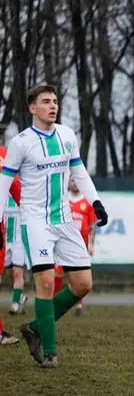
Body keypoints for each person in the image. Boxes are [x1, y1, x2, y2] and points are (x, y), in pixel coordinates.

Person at [0, 84, 110, 368]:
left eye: (55, 101)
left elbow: (79, 170)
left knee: (83, 285)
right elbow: (3, 183)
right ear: (32, 107)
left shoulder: (67, 135)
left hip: (63, 220)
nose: (53, 106)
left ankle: (35, 327)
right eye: (46, 101)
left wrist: (95, 201)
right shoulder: (20, 143)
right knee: (46, 282)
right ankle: (49, 352)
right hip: (35, 221)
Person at [1, 143, 26, 316]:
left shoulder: (21, 188)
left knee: (18, 272)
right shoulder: (3, 187)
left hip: (18, 239)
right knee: (10, 275)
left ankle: (15, 305)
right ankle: (21, 297)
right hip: (4, 238)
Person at [0, 146, 22, 345]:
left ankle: (16, 304)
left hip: (9, 235)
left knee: (17, 273)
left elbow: (18, 190)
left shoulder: (6, 155)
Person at [67, 178, 97, 316]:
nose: (74, 183)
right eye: (71, 180)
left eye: (76, 180)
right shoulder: (63, 199)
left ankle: (79, 305)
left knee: (80, 276)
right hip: (64, 244)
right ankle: (52, 304)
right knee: (57, 274)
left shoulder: (87, 201)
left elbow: (91, 227)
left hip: (81, 245)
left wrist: (91, 244)